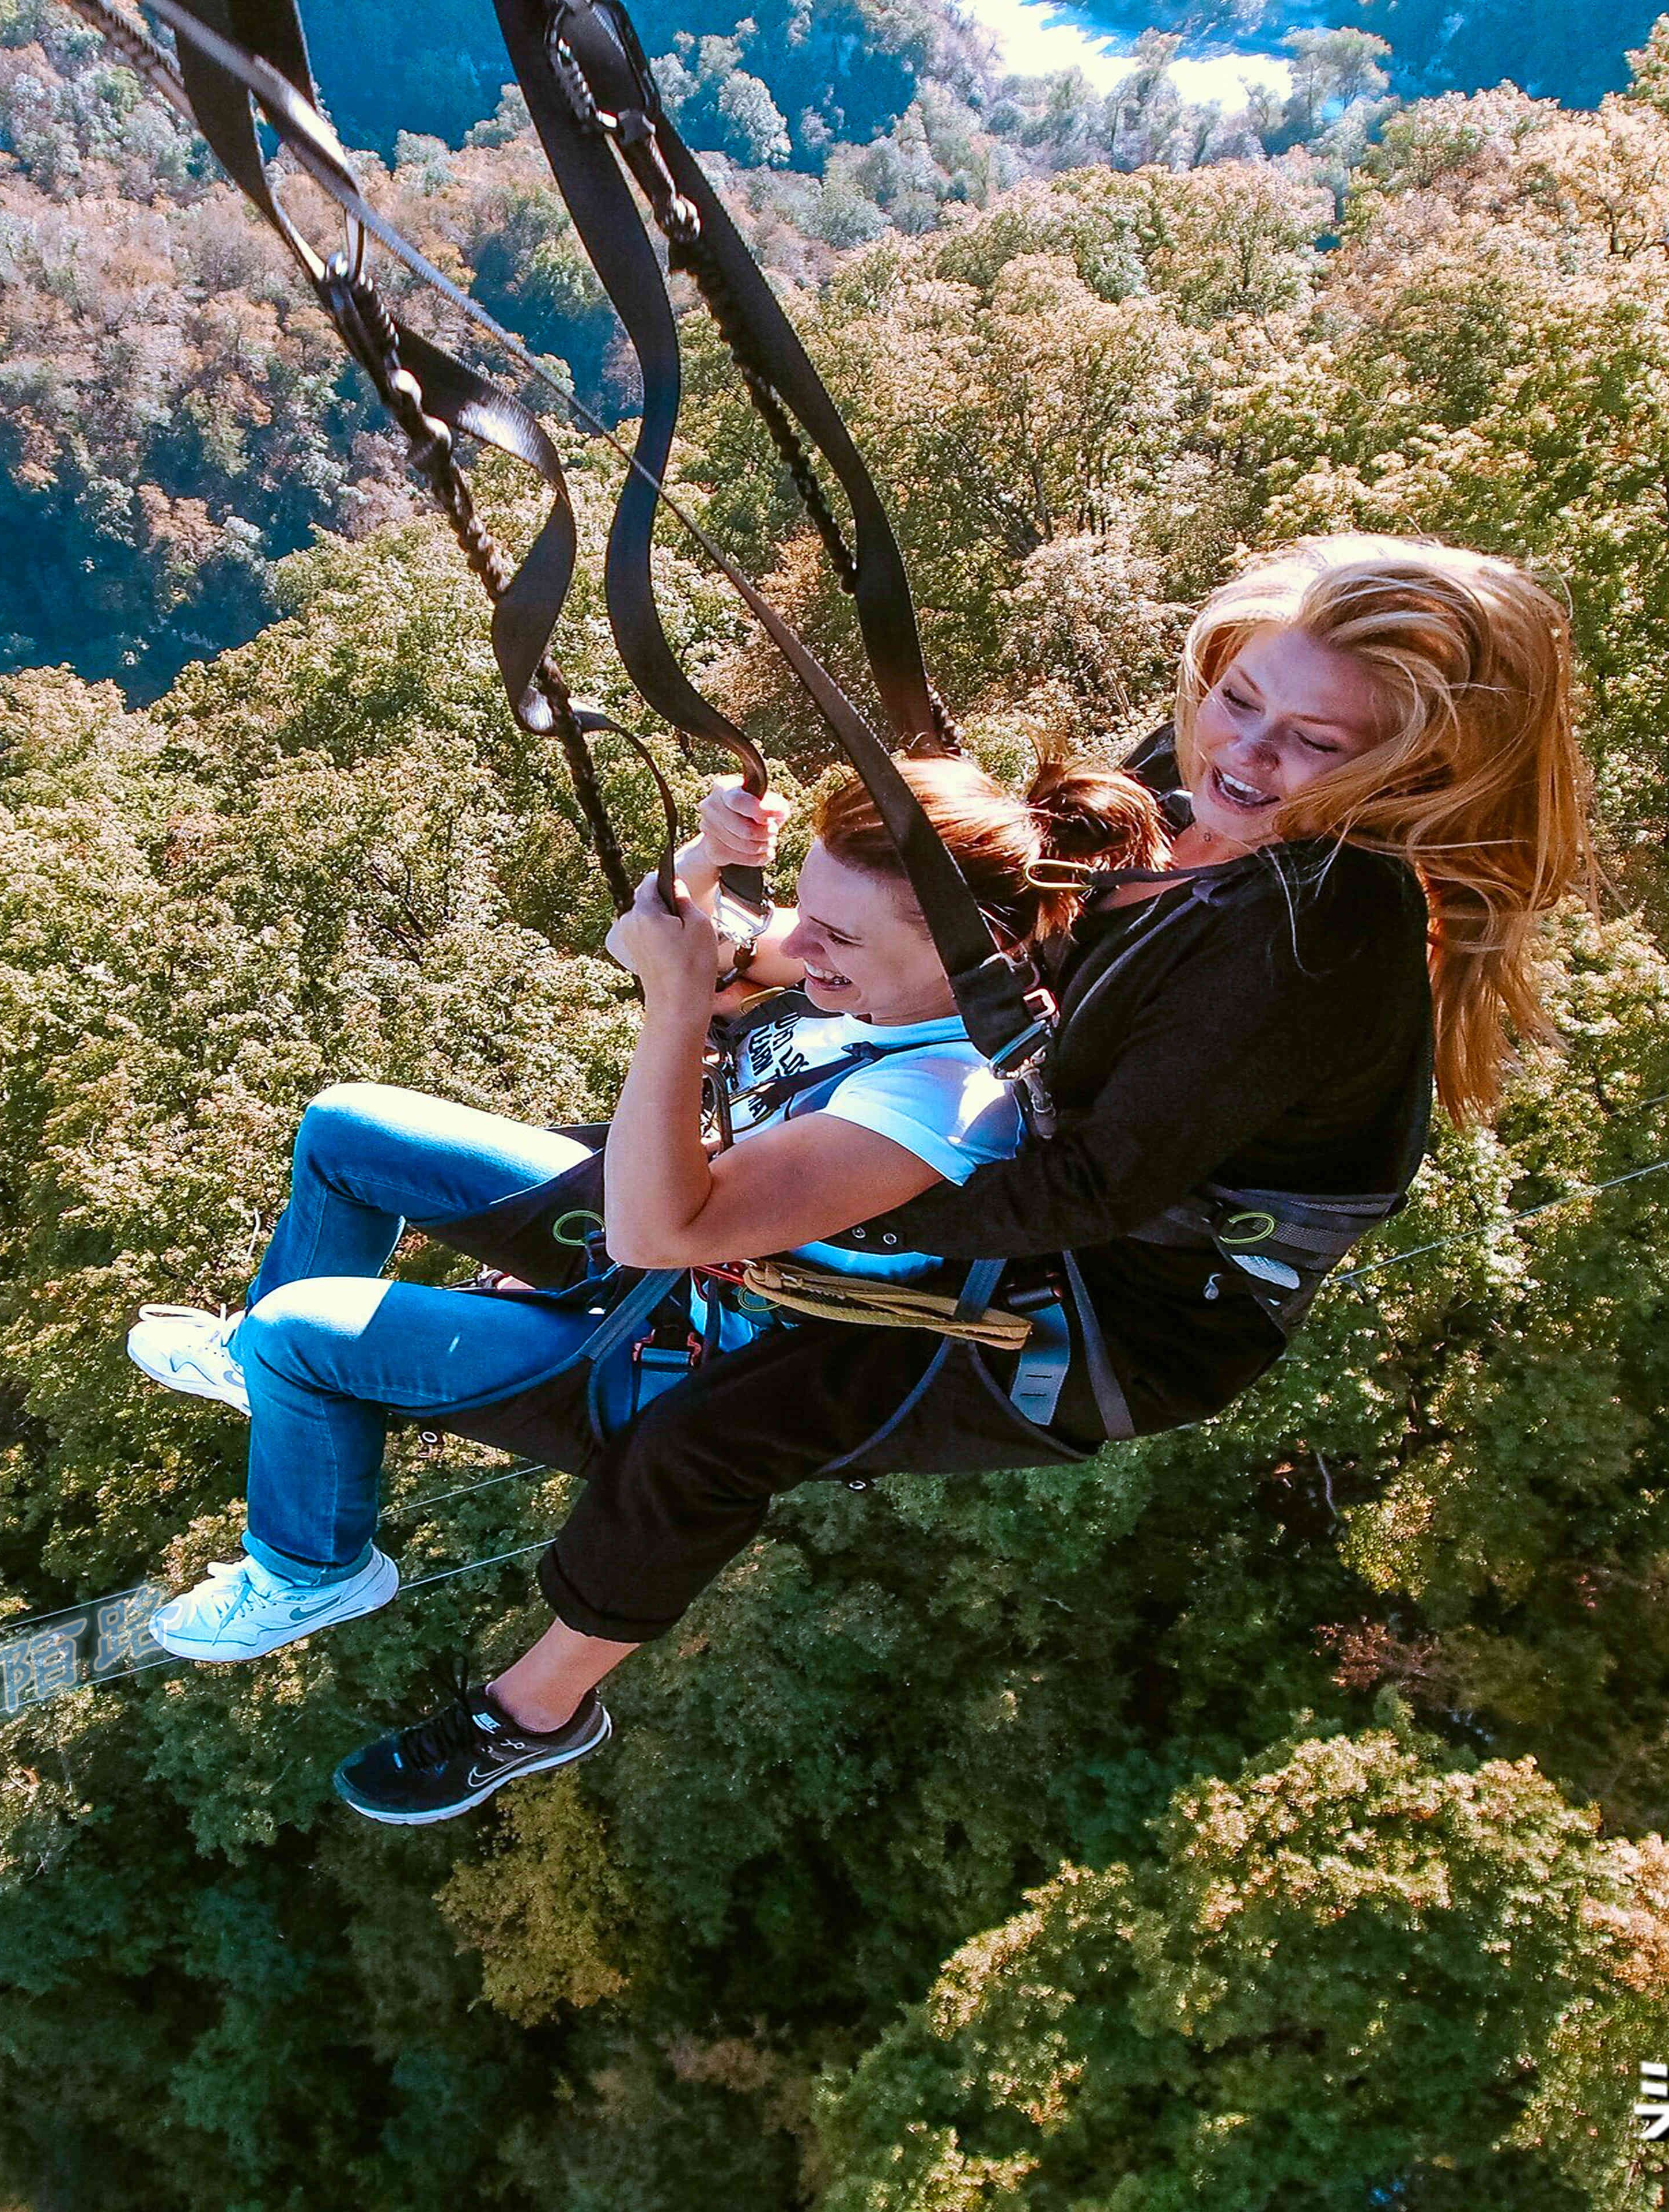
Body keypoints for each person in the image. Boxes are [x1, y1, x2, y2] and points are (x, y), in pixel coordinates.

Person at [323, 532, 1592, 1822]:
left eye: (1319, 743)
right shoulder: (1197, 786)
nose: (1248, 755)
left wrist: (796, 1211)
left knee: (709, 1436)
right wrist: (782, 953)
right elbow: (1003, 896)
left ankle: (529, 1712)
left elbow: (1087, 1190)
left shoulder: (1311, 937)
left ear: (1406, 764)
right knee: (722, 1137)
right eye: (1239, 697)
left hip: (1127, 1303)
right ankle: (485, 1320)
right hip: (1028, 1133)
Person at [122, 748, 1165, 1801]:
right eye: (805, 907)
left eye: (836, 935)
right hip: (659, 1267)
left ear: (969, 948)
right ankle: (273, 1385)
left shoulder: (938, 1101)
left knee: (299, 1334)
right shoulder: (876, 983)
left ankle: (310, 1570)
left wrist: (676, 1005)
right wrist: (705, 859)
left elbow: (659, 1231)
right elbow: (673, 924)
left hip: (675, 1352)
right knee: (347, 1128)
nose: (800, 947)